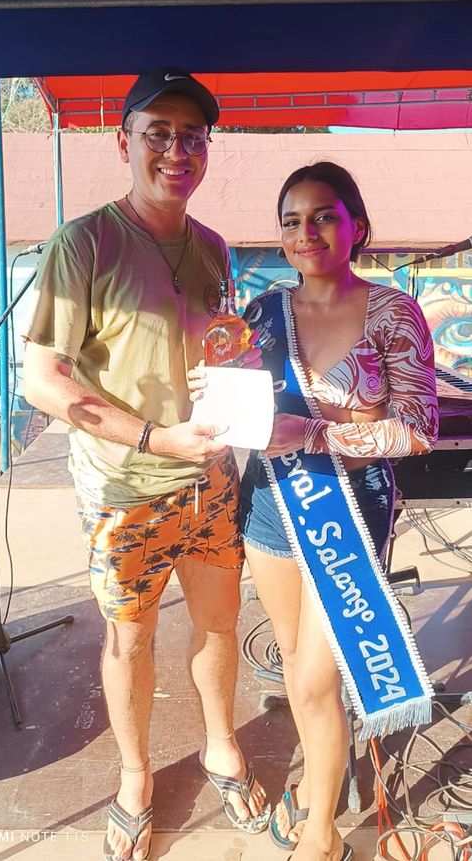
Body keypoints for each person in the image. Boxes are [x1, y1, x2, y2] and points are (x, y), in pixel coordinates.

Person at [22, 67, 269, 861]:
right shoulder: (83, 243)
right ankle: (134, 776)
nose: (176, 150)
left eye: (192, 135)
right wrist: (158, 439)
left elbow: (213, 348)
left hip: (211, 479)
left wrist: (237, 374)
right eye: (157, 132)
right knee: (130, 641)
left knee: (220, 624)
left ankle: (221, 743)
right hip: (125, 488)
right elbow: (42, 380)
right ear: (121, 141)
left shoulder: (215, 247)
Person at [188, 161, 438, 861]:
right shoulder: (261, 314)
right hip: (271, 503)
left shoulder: (393, 312)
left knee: (315, 677)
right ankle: (316, 788)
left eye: (324, 215)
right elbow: (242, 403)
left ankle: (321, 834)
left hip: (350, 509)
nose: (307, 232)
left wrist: (318, 433)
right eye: (292, 221)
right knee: (296, 659)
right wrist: (213, 391)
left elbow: (419, 428)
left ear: (357, 224)